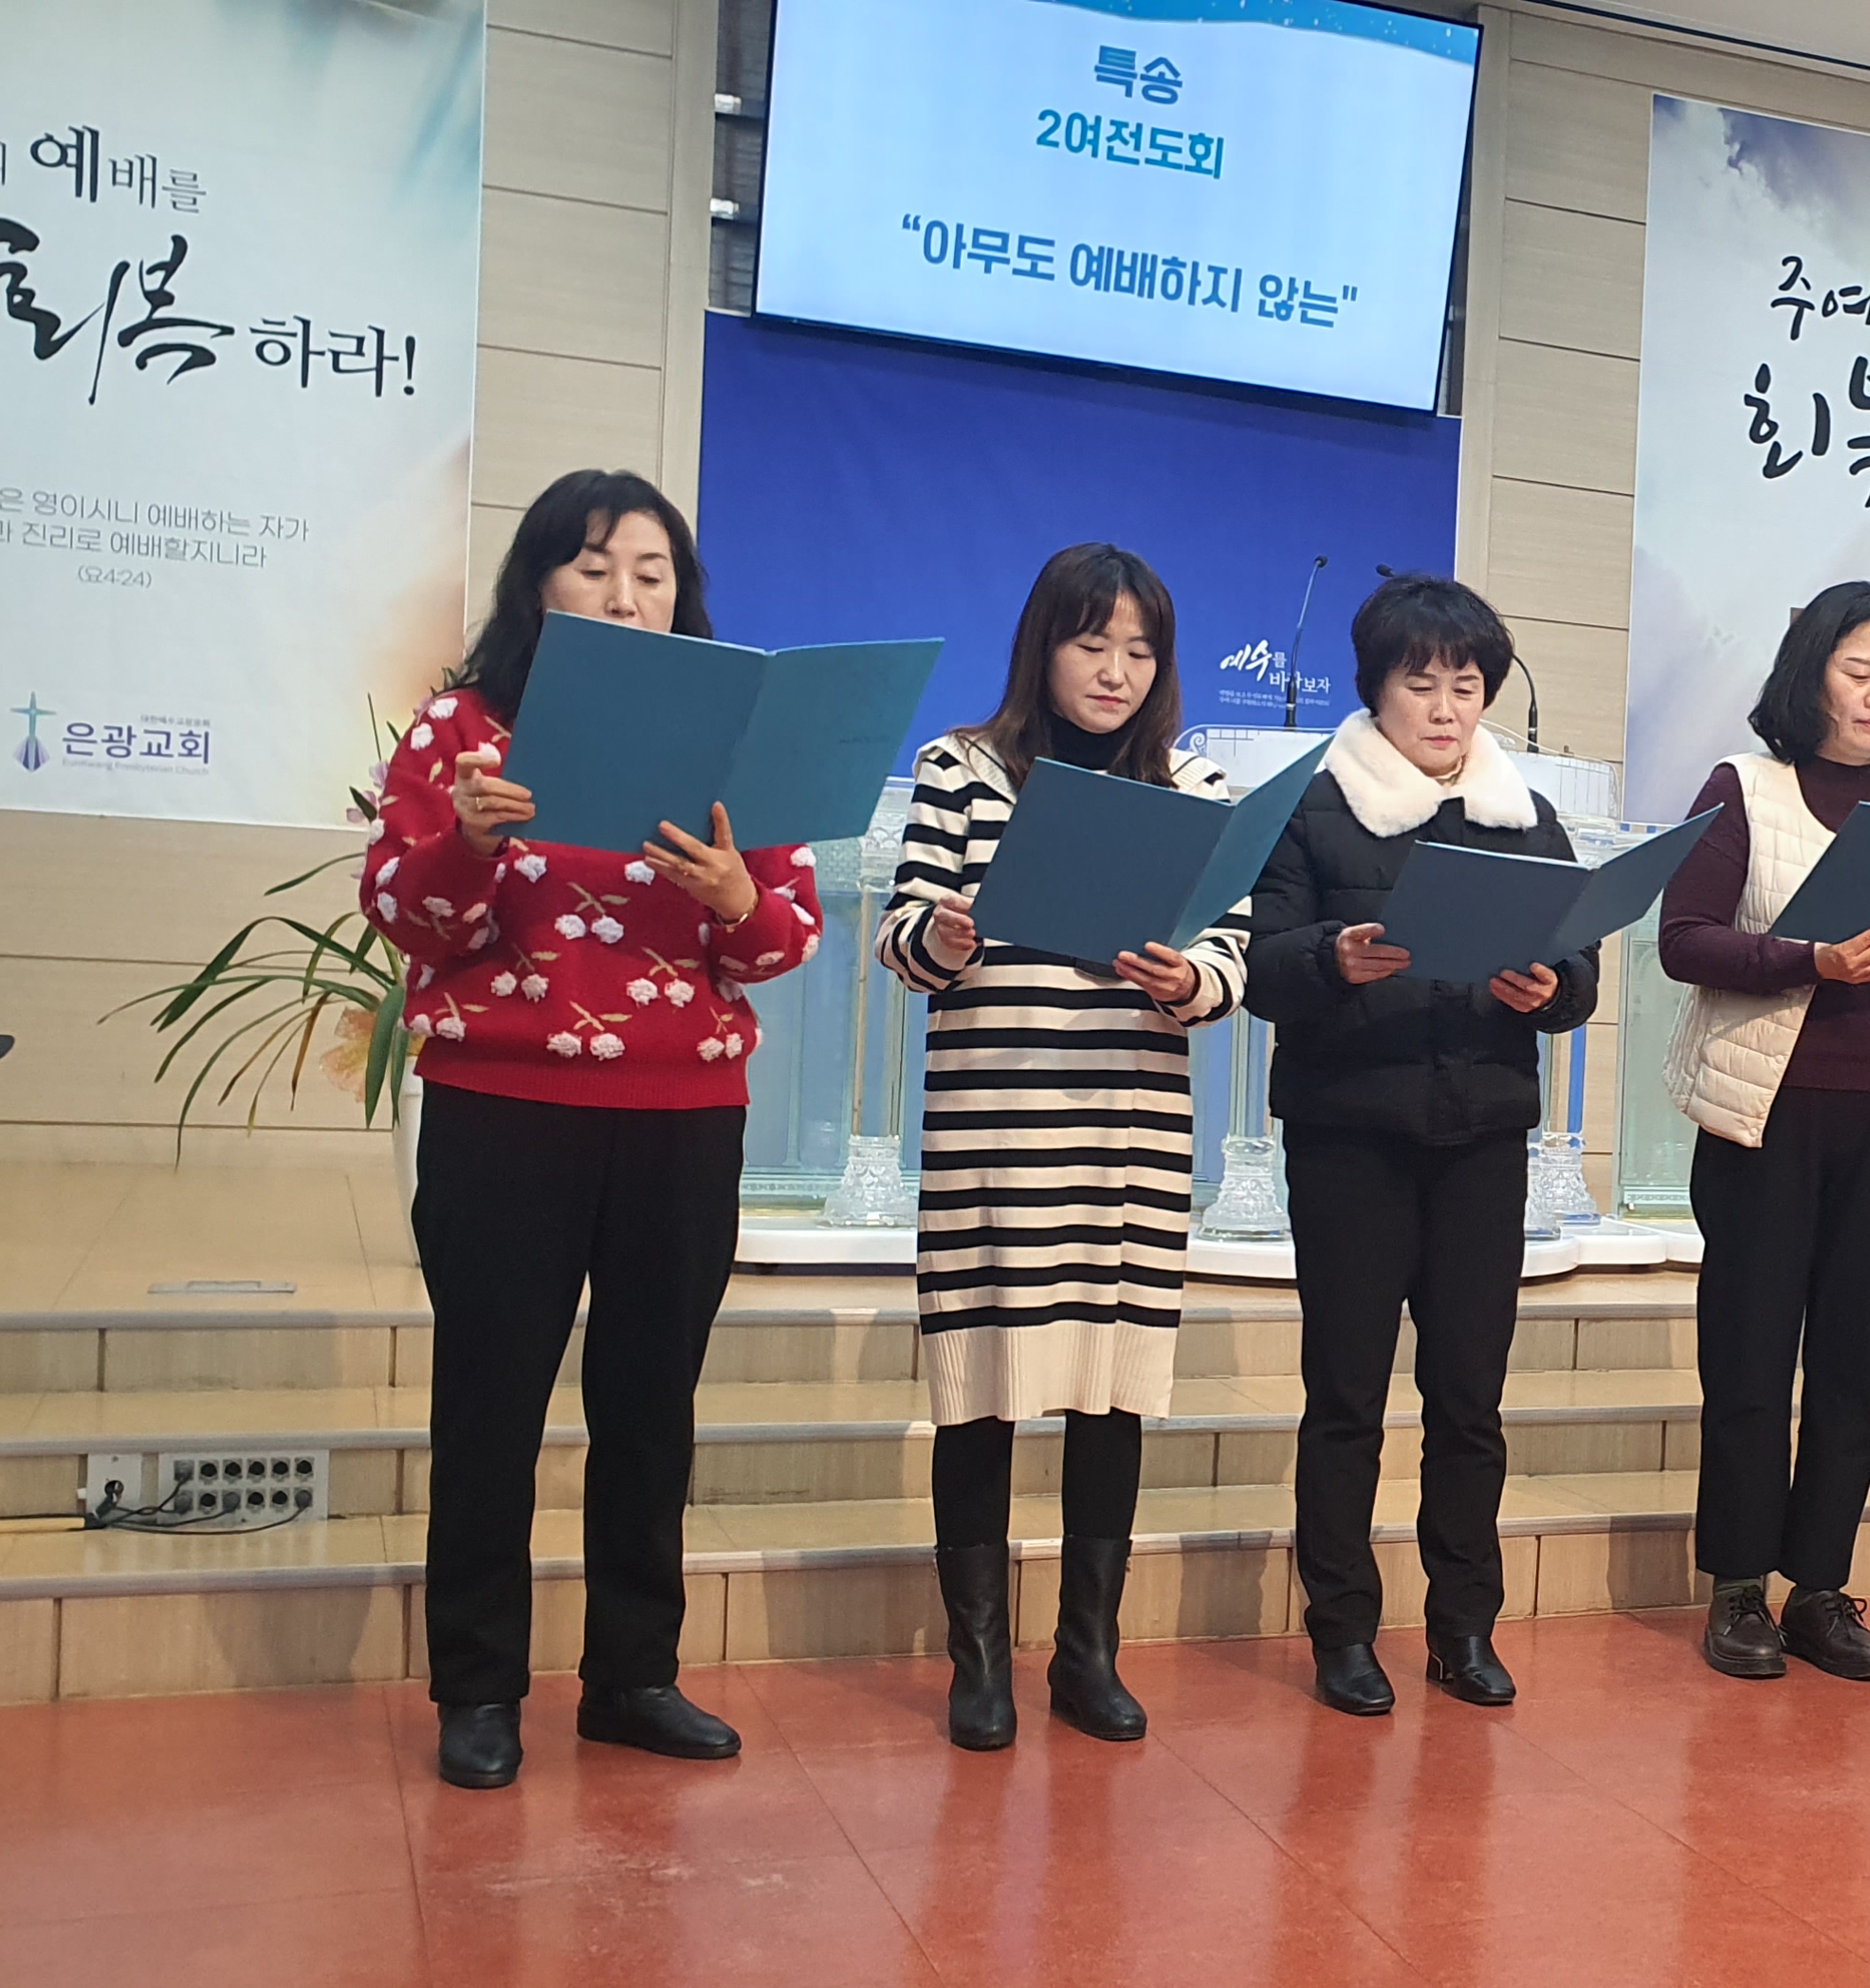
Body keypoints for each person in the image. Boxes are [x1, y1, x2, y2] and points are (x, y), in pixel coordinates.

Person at [368, 469, 823, 1791]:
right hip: (504, 1112)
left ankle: (632, 1676)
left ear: (682, 596)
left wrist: (734, 895)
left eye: (651, 572)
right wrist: (465, 842)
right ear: (540, 585)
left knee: (649, 1408)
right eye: (593, 566)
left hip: (683, 1118)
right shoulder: (467, 728)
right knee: (490, 1404)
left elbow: (783, 938)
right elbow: (403, 912)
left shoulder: (737, 743)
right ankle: (478, 1688)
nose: (625, 594)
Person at [879, 543, 1246, 1752]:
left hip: (1127, 1130)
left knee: (1110, 1393)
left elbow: (1230, 953)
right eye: (1092, 643)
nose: (1115, 670)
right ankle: (978, 1662)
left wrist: (1188, 977)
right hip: (995, 1127)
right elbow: (900, 934)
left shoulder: (1193, 789)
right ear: (1044, 646)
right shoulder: (963, 768)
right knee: (979, 1396)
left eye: (1139, 649)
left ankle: (1087, 1656)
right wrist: (943, 935)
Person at [1245, 574, 1595, 1717]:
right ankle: (1343, 1631)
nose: (1446, 708)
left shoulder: (1525, 814)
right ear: (1375, 688)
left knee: (1469, 1400)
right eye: (1420, 683)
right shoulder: (1313, 808)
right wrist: (1330, 959)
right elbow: (1260, 966)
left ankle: (1463, 1626)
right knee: (1346, 1397)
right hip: (1351, 1136)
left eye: (1467, 685)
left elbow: (1578, 970)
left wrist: (1553, 988)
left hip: (1482, 1138)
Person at [1656, 582, 1870, 1683]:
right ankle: (1738, 1588)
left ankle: (1820, 1590)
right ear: (1812, 674)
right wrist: (1814, 960)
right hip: (1765, 1121)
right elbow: (1685, 940)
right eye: (1860, 672)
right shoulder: (1744, 787)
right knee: (1751, 1357)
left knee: (1856, 1363)